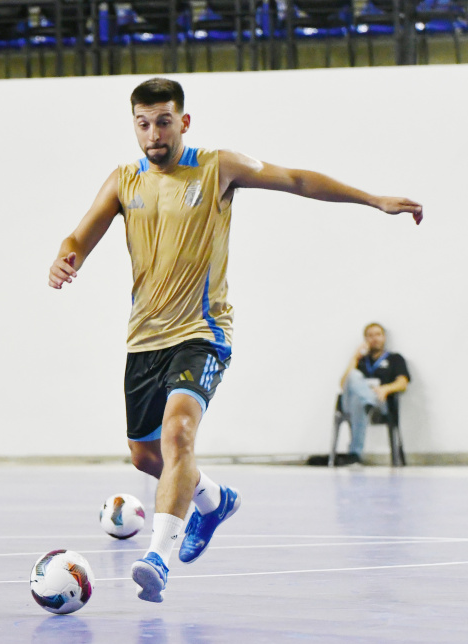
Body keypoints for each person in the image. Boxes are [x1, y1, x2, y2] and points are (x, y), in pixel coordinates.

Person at [47, 78, 423, 604]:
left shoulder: (216, 167)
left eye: (162, 121)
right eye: (143, 123)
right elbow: (79, 235)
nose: (153, 133)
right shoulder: (123, 180)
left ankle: (157, 557)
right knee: (145, 457)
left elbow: (294, 178)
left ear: (184, 121)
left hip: (203, 332)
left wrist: (372, 199)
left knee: (179, 435)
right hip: (144, 340)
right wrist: (67, 258)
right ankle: (214, 500)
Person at [339, 323, 410, 462]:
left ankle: (355, 455)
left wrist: (386, 388)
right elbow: (344, 385)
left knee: (358, 402)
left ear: (384, 337)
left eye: (378, 335)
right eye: (370, 336)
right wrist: (355, 357)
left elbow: (402, 383)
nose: (374, 339)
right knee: (353, 376)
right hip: (359, 403)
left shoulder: (395, 358)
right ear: (365, 340)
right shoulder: (360, 361)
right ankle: (368, 402)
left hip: (381, 402)